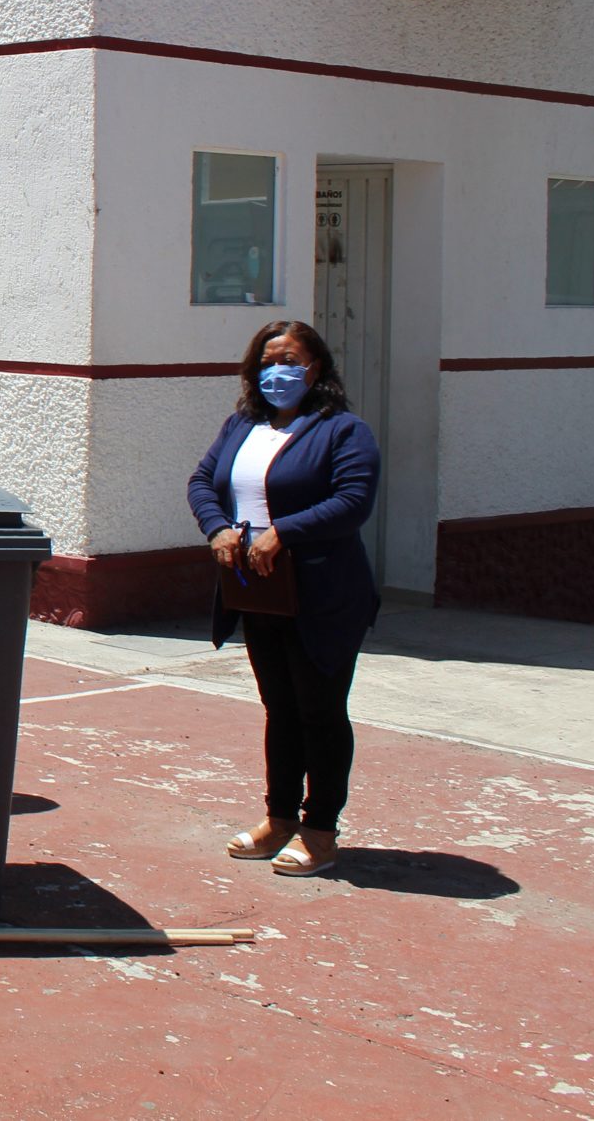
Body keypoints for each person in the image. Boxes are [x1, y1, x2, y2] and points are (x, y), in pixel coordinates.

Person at [187, 320, 381, 878]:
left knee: (319, 711)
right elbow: (203, 481)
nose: (278, 371)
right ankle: (279, 819)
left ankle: (320, 830)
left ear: (315, 368)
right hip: (260, 592)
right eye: (268, 360)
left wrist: (284, 531)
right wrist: (218, 527)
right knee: (280, 709)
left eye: (291, 359)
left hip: (324, 596)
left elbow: (353, 501)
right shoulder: (242, 424)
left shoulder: (343, 431)